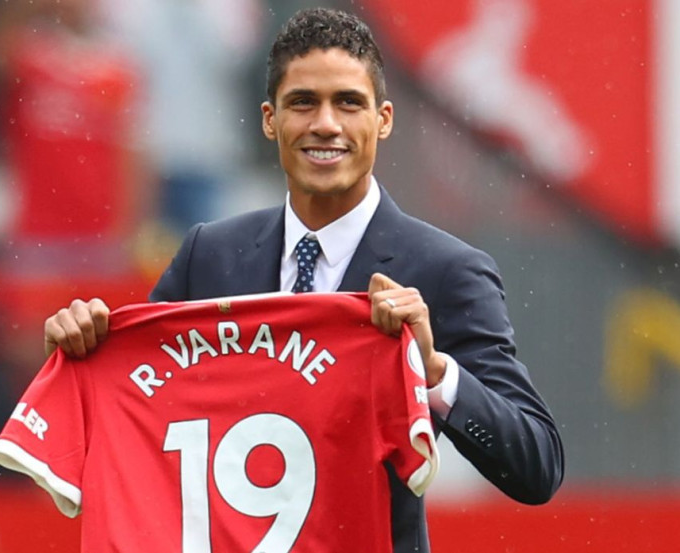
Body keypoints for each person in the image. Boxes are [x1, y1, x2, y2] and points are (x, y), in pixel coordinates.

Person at [42, 7, 564, 552]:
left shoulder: (444, 271)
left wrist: (434, 373)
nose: (326, 124)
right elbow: (135, 406)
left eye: (348, 102)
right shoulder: (210, 257)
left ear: (383, 119)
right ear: (270, 119)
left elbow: (537, 466)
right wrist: (84, 351)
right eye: (303, 102)